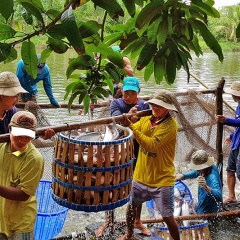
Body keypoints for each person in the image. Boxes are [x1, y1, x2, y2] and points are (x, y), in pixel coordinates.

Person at [118, 89, 180, 240]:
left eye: (159, 106)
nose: (155, 108)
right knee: (131, 207)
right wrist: (129, 122)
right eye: (153, 104)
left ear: (168, 109)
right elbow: (133, 132)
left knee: (167, 216)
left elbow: (150, 145)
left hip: (161, 179)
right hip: (141, 175)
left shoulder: (170, 126)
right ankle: (129, 234)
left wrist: (131, 126)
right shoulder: (147, 119)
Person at [96, 77, 151, 237]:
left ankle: (137, 221)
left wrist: (137, 117)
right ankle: (108, 220)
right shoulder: (116, 103)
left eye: (132, 93)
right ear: (122, 92)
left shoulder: (143, 105)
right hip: (118, 149)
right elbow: (118, 123)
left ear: (138, 93)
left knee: (139, 185)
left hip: (138, 149)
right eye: (126, 93)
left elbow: (148, 123)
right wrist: (129, 116)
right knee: (111, 183)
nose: (128, 96)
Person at [0, 110, 44, 240]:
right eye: (18, 135)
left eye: (27, 136)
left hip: (21, 222)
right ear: (10, 129)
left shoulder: (34, 159)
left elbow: (23, 194)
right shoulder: (2, 146)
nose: (22, 140)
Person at [0, 71, 54, 139]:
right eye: (15, 96)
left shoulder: (12, 111)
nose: (17, 100)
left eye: (18, 96)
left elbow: (21, 130)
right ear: (2, 95)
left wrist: (39, 135)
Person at [175, 150, 222, 214]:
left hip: (208, 211)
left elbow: (219, 196)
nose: (197, 170)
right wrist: (183, 176)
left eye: (198, 168)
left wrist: (206, 187)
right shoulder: (208, 167)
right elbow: (196, 172)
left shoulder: (212, 177)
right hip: (202, 203)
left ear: (204, 167)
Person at [215, 81, 240, 203]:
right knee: (230, 169)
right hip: (237, 141)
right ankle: (232, 196)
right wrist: (231, 135)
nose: (233, 96)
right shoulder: (238, 106)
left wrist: (226, 120)